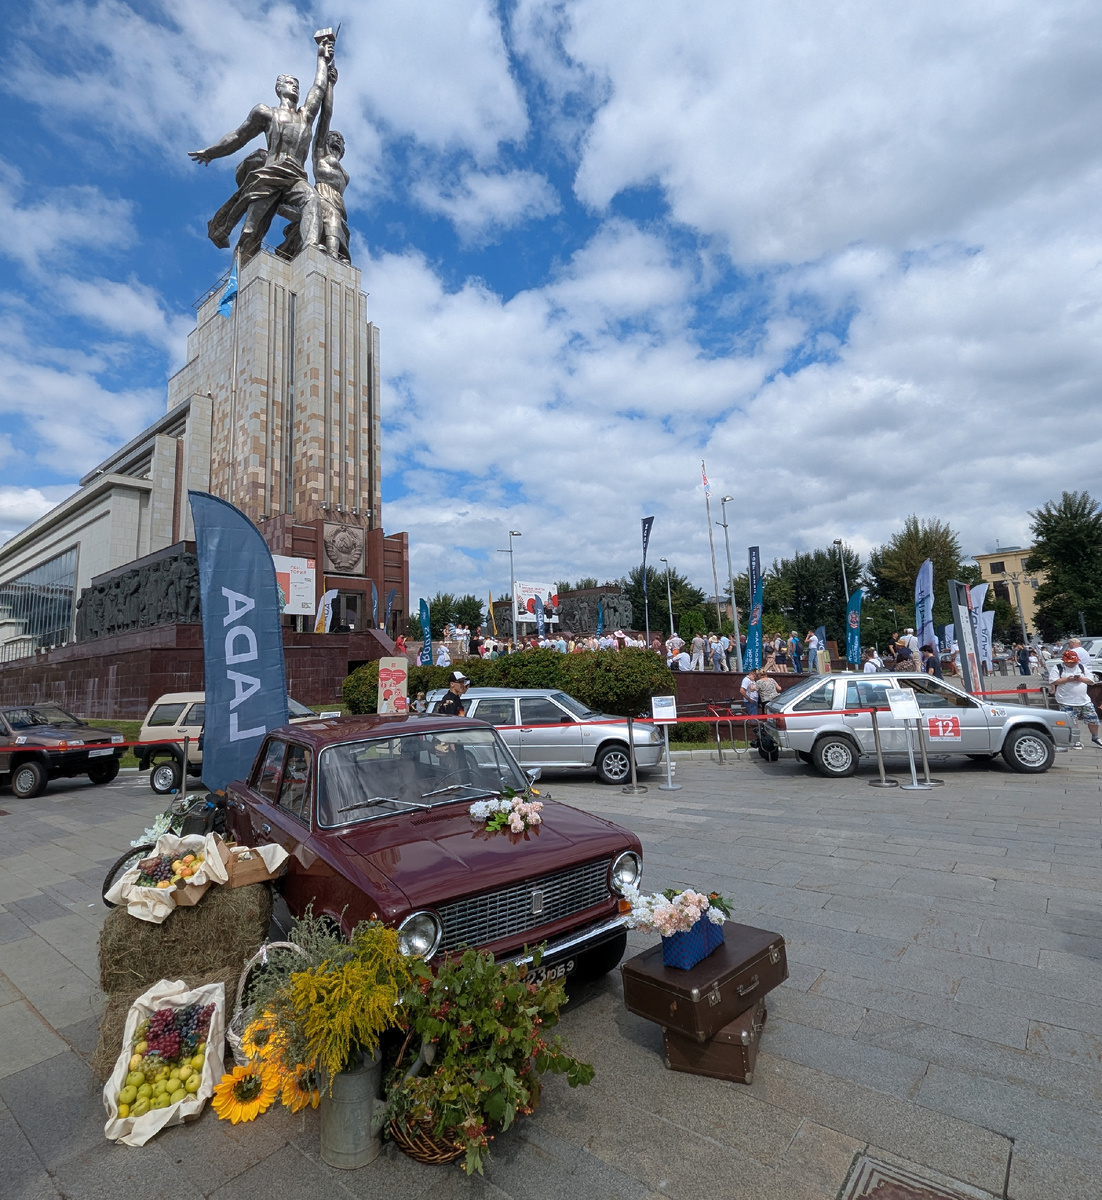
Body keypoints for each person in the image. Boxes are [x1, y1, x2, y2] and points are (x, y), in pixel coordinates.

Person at [1050, 651, 1101, 747]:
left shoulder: (1081, 667)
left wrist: (1080, 679)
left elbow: (1091, 680)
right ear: (1065, 661)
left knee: (1093, 719)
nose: (1073, 664)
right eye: (1070, 662)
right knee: (1071, 722)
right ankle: (1075, 740)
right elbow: (1053, 681)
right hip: (1066, 701)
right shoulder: (1058, 668)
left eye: (1074, 662)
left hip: (1084, 700)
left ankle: (1095, 737)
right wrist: (1067, 679)